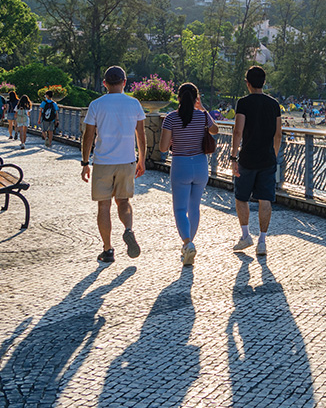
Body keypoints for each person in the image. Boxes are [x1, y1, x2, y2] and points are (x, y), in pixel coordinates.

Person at [81, 66, 146, 263]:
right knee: (124, 201)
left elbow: (88, 135)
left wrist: (85, 162)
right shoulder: (134, 104)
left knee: (104, 206)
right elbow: (141, 135)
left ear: (105, 83)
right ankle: (128, 229)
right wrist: (141, 159)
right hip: (127, 160)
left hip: (103, 161)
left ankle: (108, 250)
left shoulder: (96, 105)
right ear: (124, 82)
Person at [159, 83, 218, 266]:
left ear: (178, 98)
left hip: (181, 165)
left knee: (179, 209)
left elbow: (162, 147)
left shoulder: (171, 118)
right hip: (200, 165)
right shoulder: (202, 117)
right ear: (196, 99)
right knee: (194, 207)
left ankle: (187, 244)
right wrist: (203, 109)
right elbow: (215, 130)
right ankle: (189, 245)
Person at [229, 66, 281, 256]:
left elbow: (238, 131)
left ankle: (245, 236)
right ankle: (262, 241)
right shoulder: (274, 104)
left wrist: (233, 156)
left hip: (248, 158)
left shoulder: (243, 103)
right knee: (265, 199)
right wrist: (273, 154)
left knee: (241, 197)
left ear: (248, 83)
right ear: (264, 82)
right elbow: (278, 134)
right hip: (267, 158)